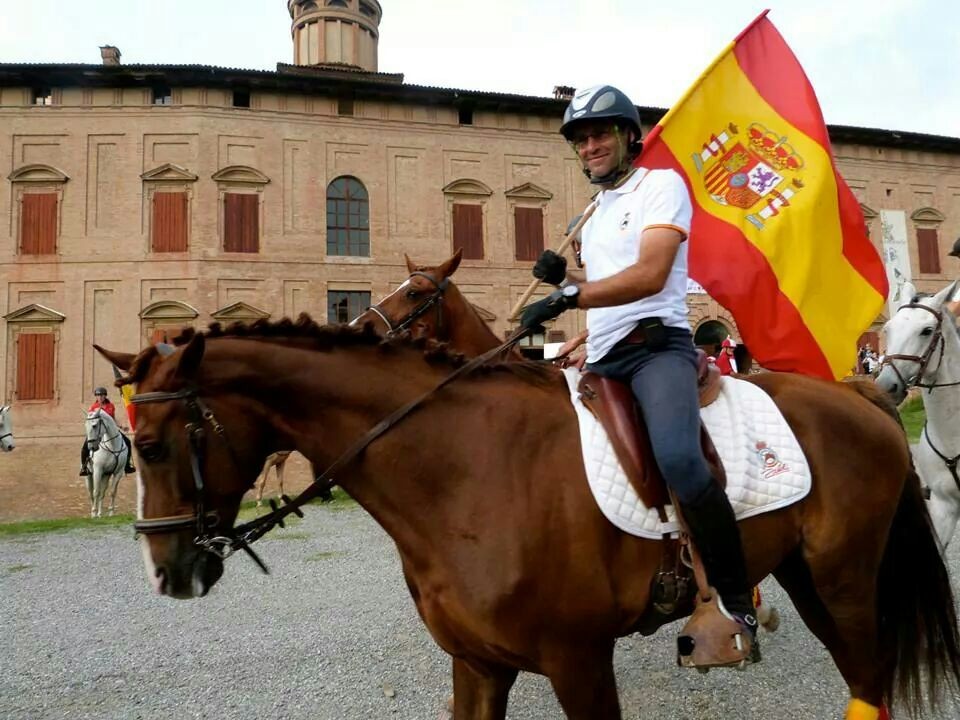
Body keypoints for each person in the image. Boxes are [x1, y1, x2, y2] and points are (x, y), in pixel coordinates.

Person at [521, 85, 758, 656]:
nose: (589, 146)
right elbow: (607, 295)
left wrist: (567, 299)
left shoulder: (661, 186)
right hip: (602, 353)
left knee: (678, 457)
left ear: (631, 135)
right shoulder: (595, 211)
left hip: (656, 350)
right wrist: (564, 282)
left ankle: (736, 598)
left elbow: (650, 276)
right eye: (580, 139)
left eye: (600, 133)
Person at [80, 387, 135, 476]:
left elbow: (113, 418)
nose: (100, 397)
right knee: (85, 447)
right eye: (98, 395)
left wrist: (121, 426)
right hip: (97, 432)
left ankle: (127, 465)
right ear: (96, 397)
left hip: (110, 430)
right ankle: (84, 467)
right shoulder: (93, 407)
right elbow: (90, 421)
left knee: (127, 442)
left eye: (102, 395)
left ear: (105, 396)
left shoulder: (111, 406)